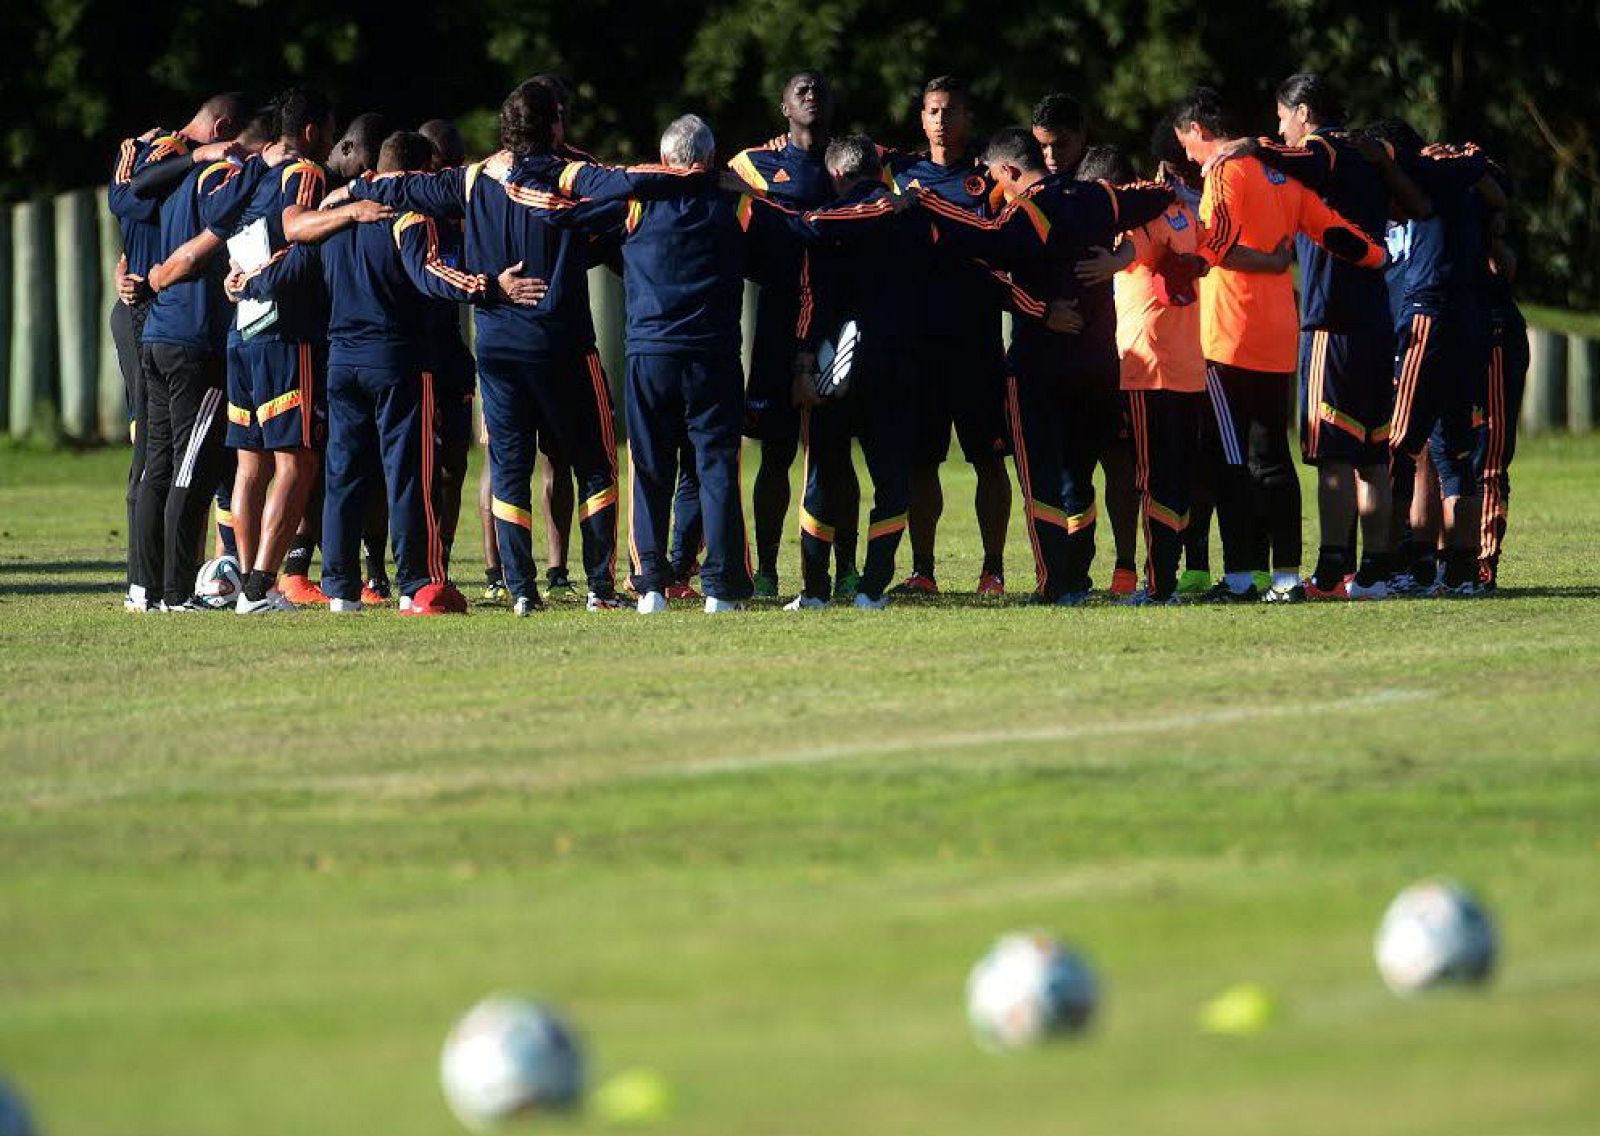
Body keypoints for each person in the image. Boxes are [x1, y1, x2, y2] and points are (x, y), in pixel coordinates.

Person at [339, 80, 694, 614]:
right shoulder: (568, 170)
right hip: (565, 345)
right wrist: (698, 178)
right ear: (553, 123)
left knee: (508, 468)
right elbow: (624, 188)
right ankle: (600, 587)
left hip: (499, 347)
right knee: (595, 464)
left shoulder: (474, 177)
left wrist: (352, 193)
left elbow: (404, 189)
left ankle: (522, 591)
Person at [234, 131, 538, 613]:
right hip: (397, 361)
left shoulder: (333, 220)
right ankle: (417, 583)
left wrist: (248, 282)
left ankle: (339, 589)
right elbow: (430, 274)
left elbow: (290, 269)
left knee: (344, 474)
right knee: (408, 474)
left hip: (341, 364)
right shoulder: (408, 216)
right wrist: (490, 287)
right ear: (420, 175)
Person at [916, 128, 1174, 604]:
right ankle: (1078, 575)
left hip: (1041, 364)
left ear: (1010, 171)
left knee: (1043, 478)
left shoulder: (1028, 211)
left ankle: (1056, 583)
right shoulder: (1097, 197)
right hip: (1097, 361)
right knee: (1078, 471)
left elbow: (981, 248)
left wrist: (926, 202)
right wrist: (1127, 247)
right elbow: (1154, 198)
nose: (993, 190)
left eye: (995, 179)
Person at [538, 116, 772, 613]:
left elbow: (565, 218)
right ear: (709, 161)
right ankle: (721, 590)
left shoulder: (636, 201)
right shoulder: (736, 203)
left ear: (665, 160)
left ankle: (650, 587)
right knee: (715, 470)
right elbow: (792, 227)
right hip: (713, 356)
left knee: (650, 469)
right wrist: (746, 185)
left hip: (652, 355)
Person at [1215, 73, 1425, 600]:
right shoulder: (1368, 157)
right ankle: (1374, 569)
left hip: (1332, 321)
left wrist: (1245, 147)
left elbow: (1301, 161)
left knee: (1333, 454)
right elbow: (1417, 207)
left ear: (1303, 112)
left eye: (1282, 116)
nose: (1278, 128)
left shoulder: (1323, 148)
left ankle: (1332, 571)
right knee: (1373, 455)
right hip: (1376, 319)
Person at [1171, 86, 1386, 604]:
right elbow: (1332, 229)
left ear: (1200, 132)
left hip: (1226, 338)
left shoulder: (1222, 170)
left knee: (1230, 461)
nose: (1187, 157)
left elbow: (1216, 233)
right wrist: (1377, 257)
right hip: (1277, 338)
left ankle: (1244, 577)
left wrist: (1198, 258)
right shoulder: (1283, 174)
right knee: (1273, 459)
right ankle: (1287, 576)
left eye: (1186, 145)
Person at [1359, 120, 1505, 595]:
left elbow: (1410, 200)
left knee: (1395, 445)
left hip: (1431, 313)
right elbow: (1499, 198)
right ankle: (1458, 571)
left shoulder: (1423, 173)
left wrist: (1388, 164)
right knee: (1454, 454)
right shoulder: (1460, 177)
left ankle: (1391, 565)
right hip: (1467, 318)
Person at [727, 70, 856, 600]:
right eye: (799, 89)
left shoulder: (853, 161)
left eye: (820, 88)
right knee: (775, 453)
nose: (810, 94)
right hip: (777, 324)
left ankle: (842, 569)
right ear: (783, 106)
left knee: (833, 452)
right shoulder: (753, 164)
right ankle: (767, 573)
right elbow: (710, 189)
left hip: (839, 324)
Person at [788, 136, 932, 609]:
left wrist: (805, 362)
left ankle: (814, 591)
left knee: (823, 479)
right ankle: (872, 588)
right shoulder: (913, 219)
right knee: (892, 481)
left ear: (835, 175)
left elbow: (810, 297)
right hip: (898, 363)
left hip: (836, 362)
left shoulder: (826, 225)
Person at [888, 76, 1012, 598]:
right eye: (933, 110)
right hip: (919, 344)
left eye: (951, 110)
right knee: (921, 461)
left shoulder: (988, 180)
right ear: (921, 118)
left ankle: (994, 570)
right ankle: (923, 570)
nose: (941, 119)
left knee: (988, 458)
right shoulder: (899, 176)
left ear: (968, 119)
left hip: (976, 342)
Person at [128, 97, 249, 611]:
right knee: (189, 468)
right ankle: (178, 591)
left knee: (157, 465)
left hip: (158, 334)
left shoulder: (174, 182)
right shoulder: (219, 177)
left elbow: (134, 192)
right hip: (194, 341)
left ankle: (144, 588)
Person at [1074, 144, 1207, 603]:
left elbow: (1130, 247)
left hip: (1146, 366)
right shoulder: (1184, 215)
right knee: (1174, 476)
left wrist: (1106, 263)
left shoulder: (1138, 220)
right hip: (1188, 366)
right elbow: (1203, 256)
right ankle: (1166, 577)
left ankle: (1158, 584)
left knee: (1152, 479)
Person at [1476, 159, 1526, 591]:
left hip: (1493, 335)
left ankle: (1482, 563)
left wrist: (1490, 234)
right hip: (1454, 334)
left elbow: (1505, 269)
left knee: (1489, 458)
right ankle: (1438, 558)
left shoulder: (1488, 238)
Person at [1031, 93, 1088, 178]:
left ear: (1081, 135)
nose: (1051, 156)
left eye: (1060, 145)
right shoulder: (1025, 181)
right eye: (1042, 146)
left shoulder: (1104, 180)